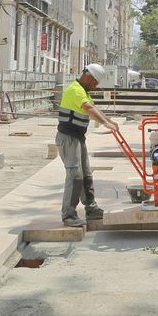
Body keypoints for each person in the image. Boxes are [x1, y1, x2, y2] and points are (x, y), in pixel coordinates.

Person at [56, 63, 119, 227]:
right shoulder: (75, 90)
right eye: (95, 82)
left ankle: (91, 208)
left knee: (86, 174)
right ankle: (68, 214)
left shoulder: (83, 92)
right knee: (75, 175)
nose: (95, 86)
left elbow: (95, 109)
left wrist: (109, 120)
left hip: (78, 138)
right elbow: (88, 108)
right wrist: (105, 123)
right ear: (88, 76)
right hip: (68, 138)